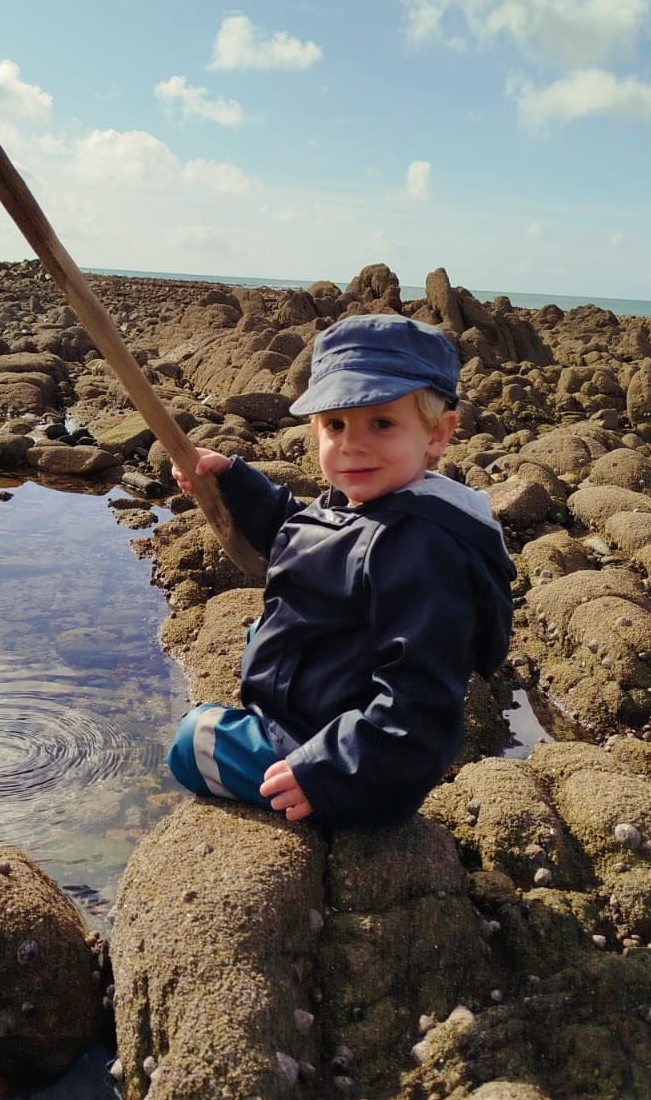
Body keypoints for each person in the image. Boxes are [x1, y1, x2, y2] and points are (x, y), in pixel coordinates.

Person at [166, 312, 514, 828]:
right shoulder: (372, 503)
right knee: (259, 634)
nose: (353, 443)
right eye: (335, 425)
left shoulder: (422, 548)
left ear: (438, 435)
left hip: (353, 759)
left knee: (191, 740)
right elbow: (305, 534)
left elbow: (420, 700)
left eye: (382, 423)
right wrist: (235, 485)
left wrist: (326, 773)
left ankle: (310, 784)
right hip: (322, 708)